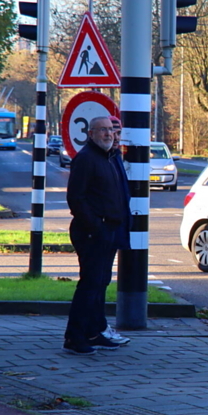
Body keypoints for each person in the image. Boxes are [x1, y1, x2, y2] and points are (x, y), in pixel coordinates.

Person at [63, 116, 127, 355]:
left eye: (111, 130)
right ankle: (74, 337)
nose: (109, 134)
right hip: (92, 233)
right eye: (103, 130)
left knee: (100, 285)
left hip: (107, 230)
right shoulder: (86, 159)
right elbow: (76, 198)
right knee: (89, 286)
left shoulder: (108, 157)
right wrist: (95, 227)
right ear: (90, 133)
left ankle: (93, 332)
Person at [99, 115, 132, 345]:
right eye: (113, 133)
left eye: (118, 134)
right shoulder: (102, 159)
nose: (116, 138)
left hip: (113, 229)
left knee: (103, 281)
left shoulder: (115, 157)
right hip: (101, 231)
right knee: (96, 283)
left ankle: (99, 328)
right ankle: (97, 329)